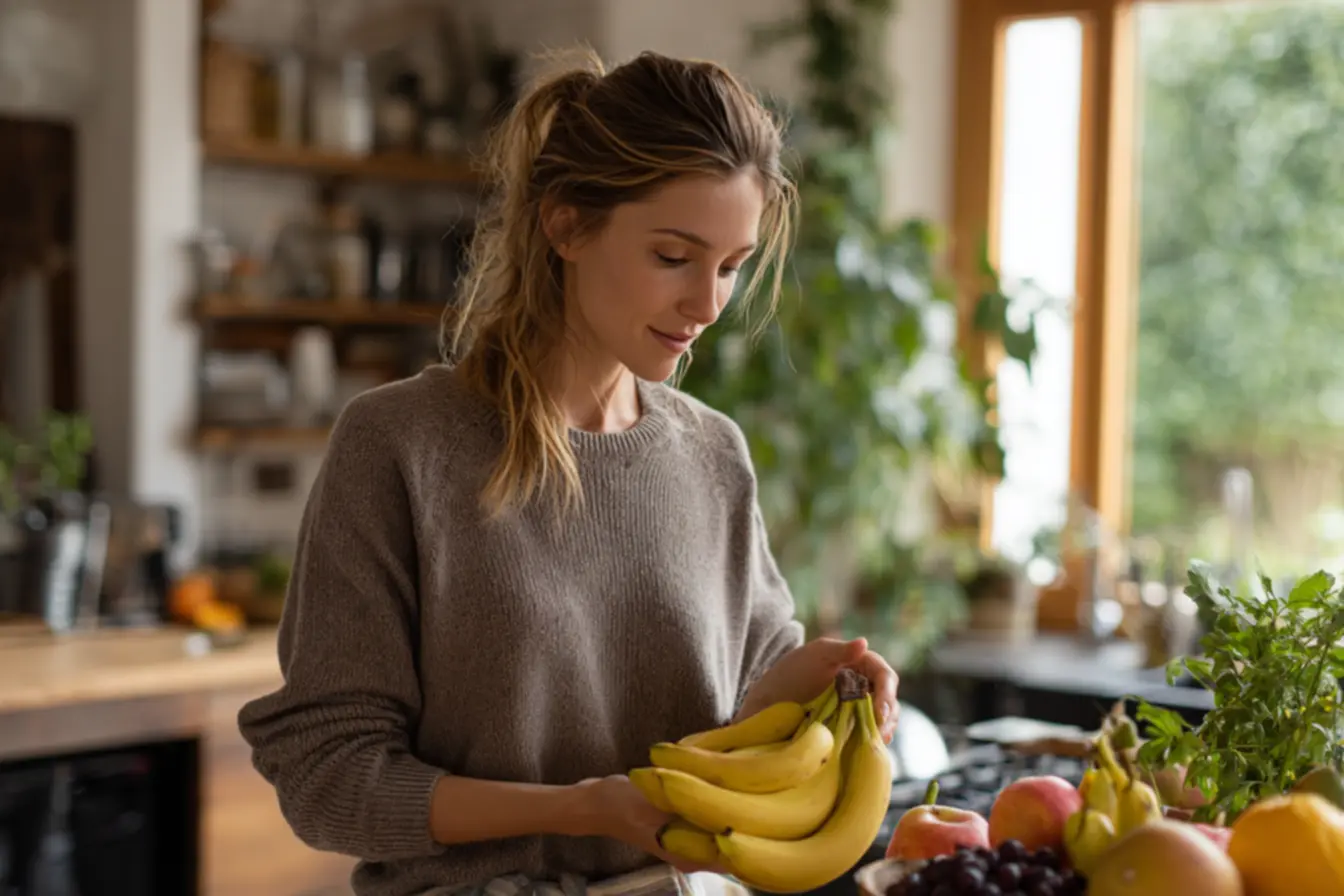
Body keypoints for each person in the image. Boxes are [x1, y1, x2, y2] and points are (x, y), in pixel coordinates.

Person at [237, 47, 900, 896]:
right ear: (567, 225)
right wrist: (581, 809)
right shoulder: (400, 445)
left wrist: (812, 681)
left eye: (732, 267)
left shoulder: (714, 455)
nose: (707, 305)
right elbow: (328, 779)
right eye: (674, 256)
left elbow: (738, 728)